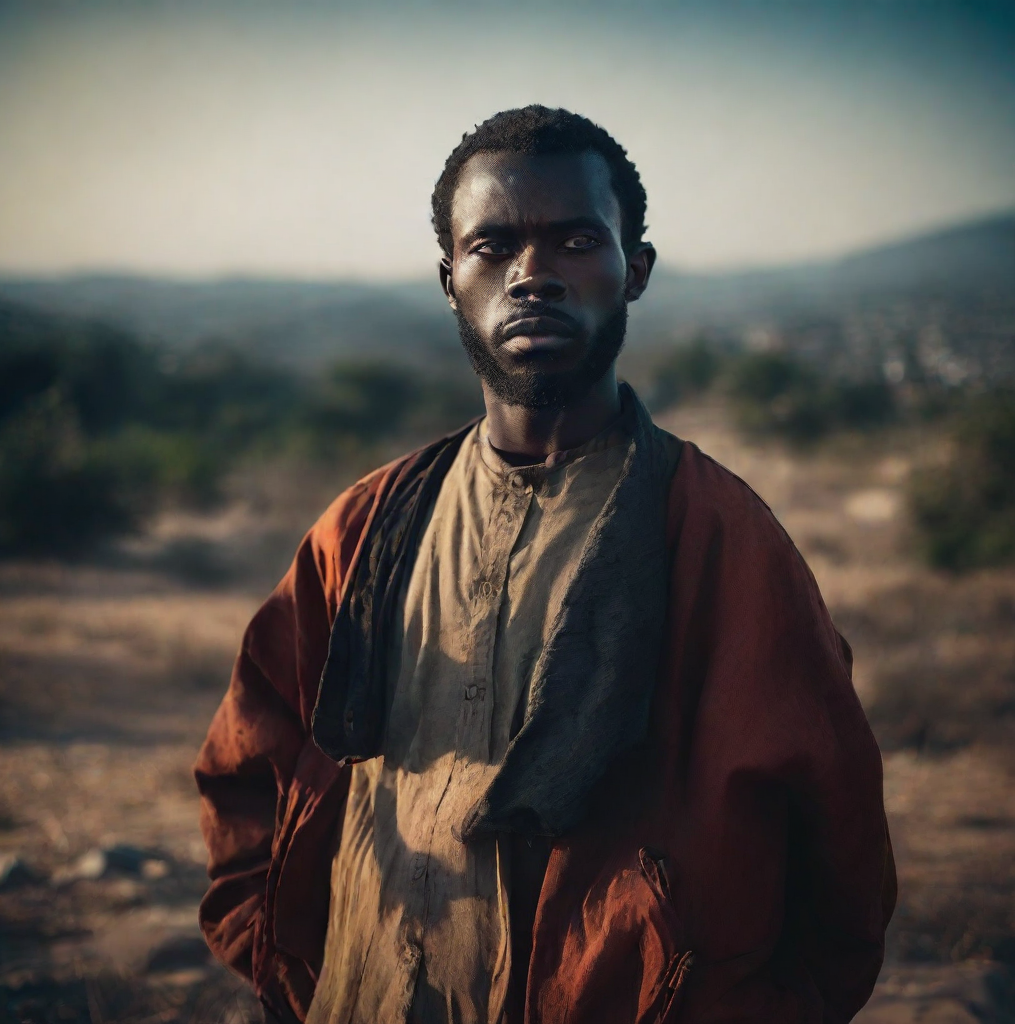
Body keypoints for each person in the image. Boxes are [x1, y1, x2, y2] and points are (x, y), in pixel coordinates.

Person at [195, 106, 896, 1024]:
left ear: (632, 271)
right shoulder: (363, 527)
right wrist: (298, 972)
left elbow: (836, 849)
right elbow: (250, 761)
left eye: (574, 241)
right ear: (452, 281)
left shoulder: (720, 535)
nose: (532, 276)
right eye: (493, 247)